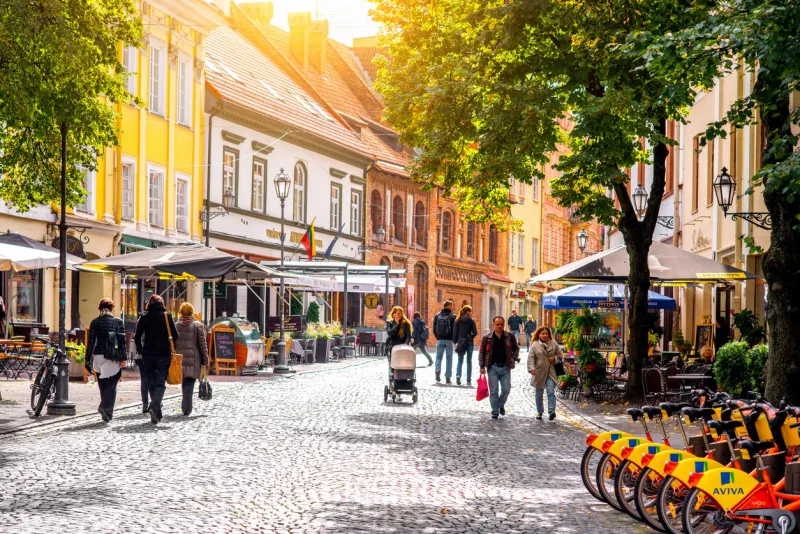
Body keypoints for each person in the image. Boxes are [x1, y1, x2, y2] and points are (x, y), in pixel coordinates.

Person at [134, 295, 179, 424]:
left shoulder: (144, 316)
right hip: (163, 353)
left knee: (151, 381)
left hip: (148, 353)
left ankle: (155, 410)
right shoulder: (166, 315)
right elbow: (175, 335)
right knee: (160, 382)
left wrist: (141, 350)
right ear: (162, 303)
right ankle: (154, 407)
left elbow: (137, 337)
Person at [86, 298, 126, 422]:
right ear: (112, 308)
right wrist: (123, 358)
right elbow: (122, 342)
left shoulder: (95, 322)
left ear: (100, 308)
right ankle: (105, 407)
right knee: (112, 384)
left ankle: (107, 412)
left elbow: (91, 342)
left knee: (102, 384)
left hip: (98, 356)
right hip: (112, 357)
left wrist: (87, 360)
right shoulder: (118, 322)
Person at [479, 316, 519, 419]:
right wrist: (482, 366)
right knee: (494, 390)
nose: (500, 326)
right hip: (493, 367)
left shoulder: (509, 336)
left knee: (506, 389)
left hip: (506, 367)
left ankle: (500, 405)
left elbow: (516, 348)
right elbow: (482, 352)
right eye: (497, 324)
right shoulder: (487, 338)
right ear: (493, 325)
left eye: (501, 324)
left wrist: (513, 358)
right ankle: (495, 411)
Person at [175, 303, 208, 416]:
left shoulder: (176, 326)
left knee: (185, 382)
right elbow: (203, 345)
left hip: (180, 360)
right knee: (190, 382)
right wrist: (205, 360)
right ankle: (186, 407)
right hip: (194, 359)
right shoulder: (197, 325)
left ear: (180, 312)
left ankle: (185, 405)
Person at [528, 326, 563, 421]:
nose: (545, 335)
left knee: (550, 391)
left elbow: (560, 355)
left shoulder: (553, 344)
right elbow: (531, 358)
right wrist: (531, 369)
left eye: (546, 334)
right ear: (539, 334)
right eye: (543, 333)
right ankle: (540, 412)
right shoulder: (535, 345)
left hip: (551, 372)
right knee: (539, 393)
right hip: (539, 372)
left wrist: (554, 358)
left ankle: (552, 411)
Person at [433, 300, 456, 384]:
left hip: (440, 340)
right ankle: (447, 378)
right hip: (449, 340)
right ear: (449, 306)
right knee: (449, 359)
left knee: (438, 357)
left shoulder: (437, 315)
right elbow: (454, 329)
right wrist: (454, 339)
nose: (452, 307)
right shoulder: (453, 316)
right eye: (452, 305)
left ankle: (437, 370)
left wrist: (438, 337)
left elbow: (434, 328)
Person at [453, 305, 477, 386]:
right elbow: (475, 332)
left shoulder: (458, 320)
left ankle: (458, 375)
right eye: (470, 311)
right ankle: (468, 380)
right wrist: (470, 337)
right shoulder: (471, 320)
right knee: (469, 361)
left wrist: (455, 342)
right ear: (467, 311)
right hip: (469, 342)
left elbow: (455, 332)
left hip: (461, 342)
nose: (471, 312)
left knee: (460, 360)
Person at [385, 306, 412, 377]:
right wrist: (396, 325)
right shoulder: (389, 323)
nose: (399, 315)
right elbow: (390, 333)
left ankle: (404, 373)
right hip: (392, 344)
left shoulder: (405, 323)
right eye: (398, 313)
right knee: (392, 358)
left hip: (402, 344)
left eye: (401, 313)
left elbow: (408, 336)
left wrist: (406, 344)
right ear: (393, 314)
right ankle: (392, 372)